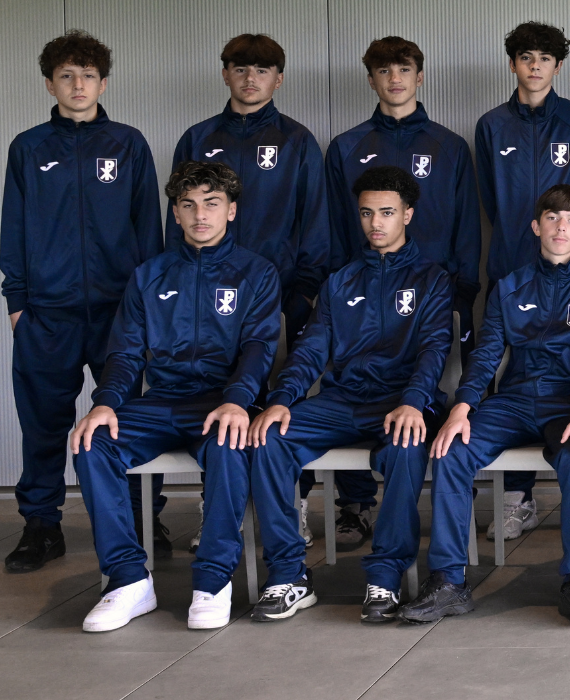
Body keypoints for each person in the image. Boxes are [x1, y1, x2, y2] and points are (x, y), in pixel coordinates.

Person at [401, 185, 570, 626]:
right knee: (450, 449)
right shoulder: (509, 286)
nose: (561, 227)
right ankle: (448, 582)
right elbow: (486, 354)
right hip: (515, 400)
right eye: (553, 218)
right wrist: (463, 407)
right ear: (536, 226)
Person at [73, 161, 279, 632]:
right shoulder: (150, 275)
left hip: (222, 402)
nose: (199, 215)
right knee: (91, 442)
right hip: (162, 401)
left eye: (211, 204)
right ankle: (128, 580)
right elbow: (125, 351)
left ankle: (212, 580)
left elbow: (259, 346)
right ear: (176, 213)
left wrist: (238, 399)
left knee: (230, 444)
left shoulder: (256, 273)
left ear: (231, 211)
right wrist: (105, 402)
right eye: (188, 205)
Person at [250, 165, 452, 623]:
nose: (375, 223)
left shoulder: (432, 280)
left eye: (386, 212)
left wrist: (413, 400)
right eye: (366, 213)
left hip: (399, 402)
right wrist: (281, 399)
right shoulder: (340, 282)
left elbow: (434, 348)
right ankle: (288, 576)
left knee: (406, 445)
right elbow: (310, 351)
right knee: (268, 438)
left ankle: (385, 577)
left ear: (407, 214)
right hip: (342, 401)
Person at [176, 33, 353, 549]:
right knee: (217, 399)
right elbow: (179, 219)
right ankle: (217, 510)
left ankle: (293, 506)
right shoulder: (198, 137)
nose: (250, 78)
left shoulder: (297, 141)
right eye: (240, 68)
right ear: (225, 74)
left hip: (281, 300)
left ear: (278, 78)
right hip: (210, 300)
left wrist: (303, 295)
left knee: (283, 403)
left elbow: (315, 222)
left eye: (262, 69)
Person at [4, 30, 163, 573]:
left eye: (88, 76)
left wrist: (148, 308)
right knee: (43, 424)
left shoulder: (128, 144)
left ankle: (143, 518)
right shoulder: (28, 148)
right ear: (49, 84)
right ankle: (41, 525)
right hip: (47, 314)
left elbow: (149, 231)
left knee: (128, 417)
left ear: (103, 83)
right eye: (67, 76)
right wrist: (17, 303)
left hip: (120, 313)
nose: (78, 85)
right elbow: (12, 229)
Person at [473, 22, 570, 541]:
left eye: (544, 58)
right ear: (512, 64)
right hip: (512, 268)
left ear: (557, 66)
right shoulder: (491, 125)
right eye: (525, 57)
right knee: (510, 377)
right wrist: (514, 243)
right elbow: (490, 200)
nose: (534, 66)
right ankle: (516, 499)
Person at [326, 37, 481, 346]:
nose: (395, 79)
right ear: (371, 80)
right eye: (384, 70)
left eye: (404, 69)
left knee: (436, 370)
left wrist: (463, 290)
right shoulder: (345, 147)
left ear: (419, 77)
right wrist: (339, 284)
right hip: (365, 291)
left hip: (437, 290)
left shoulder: (450, 147)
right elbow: (334, 223)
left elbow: (467, 225)